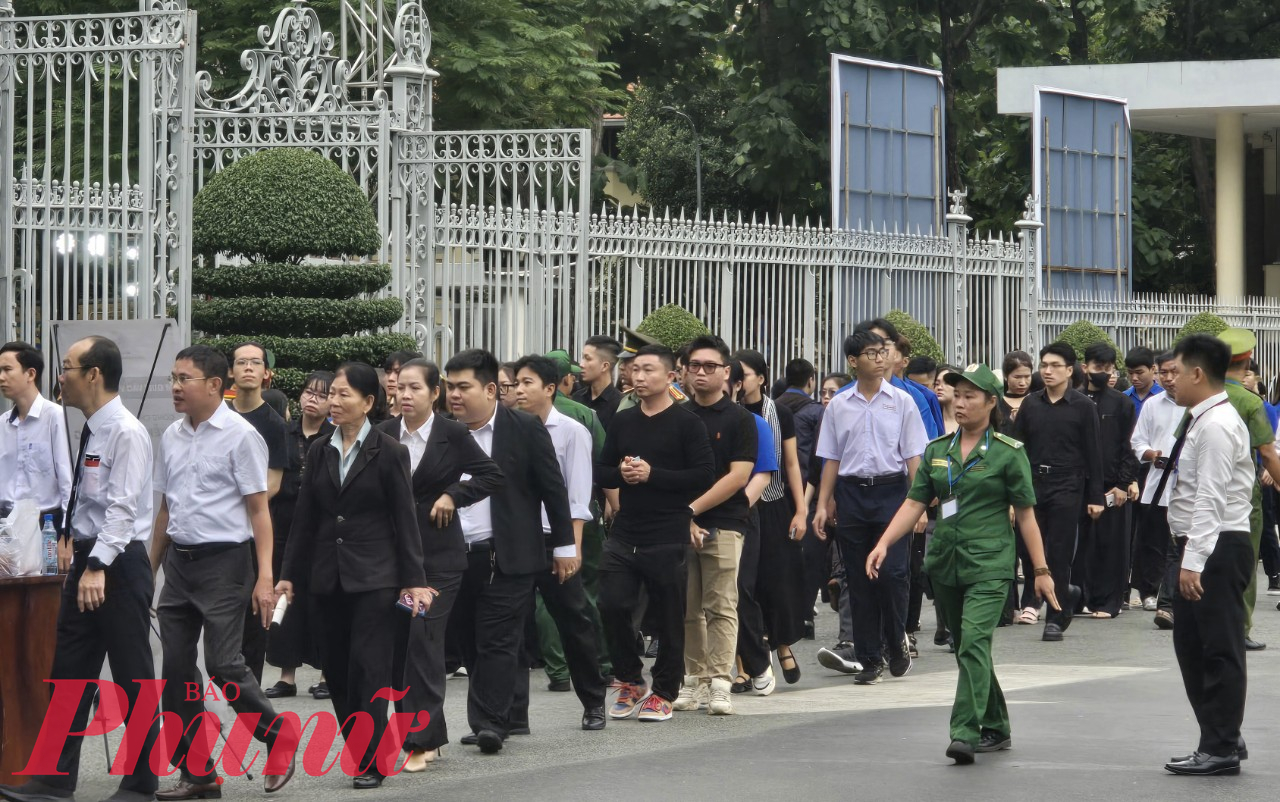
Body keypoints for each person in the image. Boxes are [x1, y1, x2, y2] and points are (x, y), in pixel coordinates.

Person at [867, 364, 1058, 765]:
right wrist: (885, 541)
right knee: (969, 651)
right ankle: (998, 725)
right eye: (957, 395)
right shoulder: (939, 451)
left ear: (992, 402)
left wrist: (1040, 572)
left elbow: (1025, 515)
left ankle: (964, 732)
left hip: (990, 564)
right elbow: (915, 502)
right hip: (947, 563)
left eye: (971, 396)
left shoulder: (1009, 452)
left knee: (971, 642)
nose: (961, 402)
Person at [0, 337, 162, 802]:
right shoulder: (92, 427)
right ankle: (52, 780)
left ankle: (141, 784)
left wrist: (97, 567)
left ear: (93, 374)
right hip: (88, 559)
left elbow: (123, 511)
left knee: (133, 676)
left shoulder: (126, 432)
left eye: (67, 368)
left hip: (117, 564)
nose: (60, 377)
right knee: (69, 672)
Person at [277, 361, 432, 790]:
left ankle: (371, 760)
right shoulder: (322, 448)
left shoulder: (389, 452)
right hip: (326, 579)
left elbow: (405, 521)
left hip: (376, 580)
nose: (334, 402)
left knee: (369, 669)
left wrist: (413, 580)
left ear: (368, 402)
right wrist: (289, 575)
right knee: (338, 671)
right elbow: (305, 520)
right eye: (333, 394)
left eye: (345, 394)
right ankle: (363, 749)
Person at [150, 345, 296, 799]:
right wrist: (148, 568)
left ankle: (278, 736)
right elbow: (166, 509)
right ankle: (199, 772)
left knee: (222, 665)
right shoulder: (172, 435)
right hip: (180, 565)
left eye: (184, 379)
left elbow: (259, 512)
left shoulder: (240, 435)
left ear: (215, 385)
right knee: (174, 670)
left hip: (227, 565)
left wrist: (265, 578)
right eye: (173, 377)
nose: (175, 387)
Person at [443, 349, 575, 753]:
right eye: (449, 387)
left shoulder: (524, 428)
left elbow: (553, 487)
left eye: (463, 387)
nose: (454, 395)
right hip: (454, 555)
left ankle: (492, 722)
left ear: (490, 389)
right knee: (467, 639)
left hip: (509, 554)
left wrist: (565, 545)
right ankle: (494, 714)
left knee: (497, 640)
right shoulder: (444, 433)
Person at [379, 358, 503, 772]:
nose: (405, 395)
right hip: (391, 557)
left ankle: (422, 741)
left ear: (435, 394)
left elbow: (490, 475)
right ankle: (425, 729)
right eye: (400, 388)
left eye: (415, 388)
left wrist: (453, 494)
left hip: (439, 558)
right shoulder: (381, 434)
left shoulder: (452, 433)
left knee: (423, 640)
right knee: (397, 645)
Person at [596, 344, 715, 723]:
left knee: (667, 616)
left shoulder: (687, 424)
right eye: (634, 370)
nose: (639, 377)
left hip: (667, 531)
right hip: (625, 529)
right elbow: (601, 471)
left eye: (648, 370)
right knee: (612, 605)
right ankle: (631, 680)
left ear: (671, 376)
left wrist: (653, 475)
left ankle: (665, 690)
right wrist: (623, 474)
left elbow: (702, 476)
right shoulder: (624, 421)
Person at [1162, 334, 1255, 777]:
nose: (1170, 381)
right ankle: (1223, 734)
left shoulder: (1216, 424)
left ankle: (1219, 746)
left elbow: (1210, 499)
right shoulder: (1204, 419)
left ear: (1197, 373)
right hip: (1203, 544)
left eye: (1175, 372)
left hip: (1216, 545)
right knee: (1193, 647)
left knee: (1218, 649)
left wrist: (1193, 561)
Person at [814, 327, 928, 684]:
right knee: (858, 579)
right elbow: (831, 458)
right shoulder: (839, 406)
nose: (881, 359)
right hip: (851, 495)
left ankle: (896, 642)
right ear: (853, 361)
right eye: (872, 354)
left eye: (883, 352)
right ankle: (868, 658)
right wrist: (823, 503)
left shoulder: (902, 401)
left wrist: (920, 504)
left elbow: (913, 456)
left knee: (893, 574)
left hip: (893, 494)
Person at [509, 355, 608, 731]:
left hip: (557, 540)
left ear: (550, 388)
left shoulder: (571, 431)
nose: (518, 390)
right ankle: (513, 714)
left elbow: (579, 494)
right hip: (516, 541)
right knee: (512, 626)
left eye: (527, 383)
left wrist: (573, 548)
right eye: (516, 383)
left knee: (574, 621)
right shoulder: (507, 429)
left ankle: (593, 701)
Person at [673, 337, 756, 715]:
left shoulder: (739, 419)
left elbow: (738, 476)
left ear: (726, 372)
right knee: (689, 607)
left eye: (710, 366)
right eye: (695, 366)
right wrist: (683, 515)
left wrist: (691, 510)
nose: (701, 372)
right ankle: (694, 680)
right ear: (685, 370)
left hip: (724, 522)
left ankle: (721, 682)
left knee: (721, 604)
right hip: (681, 523)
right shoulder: (678, 417)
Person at [734, 350, 810, 685]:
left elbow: (792, 463)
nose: (739, 381)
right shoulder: (726, 412)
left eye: (745, 375)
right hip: (736, 506)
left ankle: (781, 646)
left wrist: (802, 509)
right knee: (739, 585)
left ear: (762, 379)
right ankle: (741, 664)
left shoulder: (778, 412)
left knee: (777, 581)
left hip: (774, 502)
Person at [265, 371, 335, 700]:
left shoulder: (335, 436)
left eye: (321, 395)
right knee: (286, 600)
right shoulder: (283, 432)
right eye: (309, 393)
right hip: (283, 527)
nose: (312, 399)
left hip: (322, 531)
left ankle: (327, 674)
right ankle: (286, 676)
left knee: (323, 601)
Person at [228, 341, 289, 684]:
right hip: (222, 532)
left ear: (267, 373)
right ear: (230, 372)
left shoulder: (274, 424)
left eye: (255, 363)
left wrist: (234, 502)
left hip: (257, 530)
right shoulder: (218, 417)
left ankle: (249, 684)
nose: (248, 368)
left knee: (255, 610)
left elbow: (274, 483)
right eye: (241, 362)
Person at [1217, 329, 1280, 651]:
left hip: (1204, 495)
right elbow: (1267, 453)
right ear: (1246, 362)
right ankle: (1238, 628)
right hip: (1242, 497)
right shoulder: (1249, 401)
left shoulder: (1203, 399)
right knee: (1244, 562)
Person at [1075, 343, 1140, 619]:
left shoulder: (1121, 402)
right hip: (1078, 484)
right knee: (1079, 547)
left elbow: (1130, 445)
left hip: (1113, 486)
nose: (1102, 372)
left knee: (1112, 546)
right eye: (1097, 367)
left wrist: (1124, 483)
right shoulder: (1074, 400)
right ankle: (1077, 599)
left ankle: (1108, 602)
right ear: (1084, 367)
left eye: (1107, 368)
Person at [774, 357, 826, 641]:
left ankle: (785, 613)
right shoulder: (815, 412)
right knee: (809, 557)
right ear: (811, 380)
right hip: (807, 491)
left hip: (773, 491)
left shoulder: (772, 408)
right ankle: (804, 614)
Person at [1132, 352, 1183, 625]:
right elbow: (1137, 442)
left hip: (1187, 488)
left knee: (1177, 546)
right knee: (1155, 544)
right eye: (1163, 372)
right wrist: (1152, 454)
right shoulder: (1152, 405)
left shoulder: (1197, 405)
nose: (1169, 378)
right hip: (1157, 486)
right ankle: (1151, 592)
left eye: (1174, 372)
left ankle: (1170, 599)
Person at [0, 340, 73, 533]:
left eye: (7, 369)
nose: (1, 377)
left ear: (31, 374)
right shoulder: (3, 423)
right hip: (6, 523)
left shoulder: (54, 417)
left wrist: (67, 533)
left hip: (46, 523)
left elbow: (67, 481)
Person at [574, 335, 624, 432]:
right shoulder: (577, 398)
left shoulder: (620, 405)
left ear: (604, 366)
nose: (581, 364)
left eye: (587, 359)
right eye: (582, 357)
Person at [998, 351, 1037, 425]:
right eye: (1017, 377)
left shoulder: (1038, 401)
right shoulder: (997, 404)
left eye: (1027, 376)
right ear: (1005, 376)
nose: (1022, 383)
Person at [1124, 347, 1163, 414]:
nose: (1134, 378)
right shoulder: (1124, 398)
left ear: (1152, 369)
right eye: (1130, 373)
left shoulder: (1163, 397)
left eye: (1139, 373)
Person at [934, 365, 960, 434]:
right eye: (937, 384)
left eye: (946, 383)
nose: (939, 387)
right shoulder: (932, 418)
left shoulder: (969, 421)